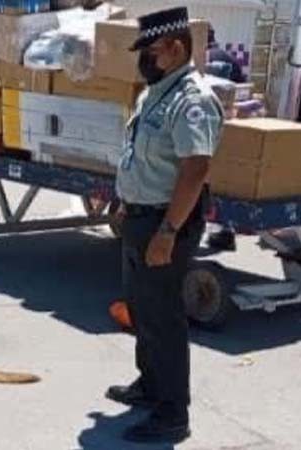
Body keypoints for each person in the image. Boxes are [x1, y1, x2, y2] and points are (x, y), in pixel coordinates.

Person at [108, 7, 224, 444]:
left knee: (163, 318)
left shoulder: (191, 98)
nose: (145, 60)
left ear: (176, 48)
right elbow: (142, 155)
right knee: (141, 308)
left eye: (152, 51)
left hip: (165, 223)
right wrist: (126, 202)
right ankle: (150, 385)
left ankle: (173, 413)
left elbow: (196, 169)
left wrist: (168, 232)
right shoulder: (156, 91)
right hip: (141, 216)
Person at [204, 27, 246, 251]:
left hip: (208, 128)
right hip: (231, 127)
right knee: (224, 181)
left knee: (206, 181)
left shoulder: (205, 60)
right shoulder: (231, 59)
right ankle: (225, 232)